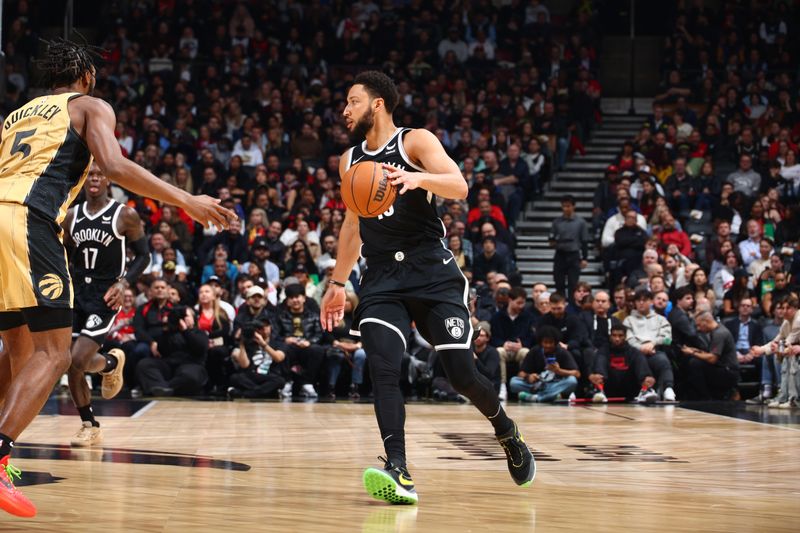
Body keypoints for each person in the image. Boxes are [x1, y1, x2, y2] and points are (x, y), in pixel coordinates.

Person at [0, 39, 232, 517]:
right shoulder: (89, 105)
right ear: (86, 75)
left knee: (18, 351)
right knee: (54, 352)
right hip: (27, 219)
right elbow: (114, 165)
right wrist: (187, 200)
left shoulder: (17, 115)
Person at [321, 71, 533, 505]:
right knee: (382, 366)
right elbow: (350, 223)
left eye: (352, 101)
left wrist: (418, 179)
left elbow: (459, 184)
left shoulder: (414, 142)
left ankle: (507, 432)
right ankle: (398, 470)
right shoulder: (349, 161)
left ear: (377, 104)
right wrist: (338, 282)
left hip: (432, 273)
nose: (345, 110)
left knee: (461, 375)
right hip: (381, 277)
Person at [63, 163, 150, 446]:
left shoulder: (125, 215)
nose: (95, 178)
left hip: (106, 295)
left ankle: (111, 362)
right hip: (77, 293)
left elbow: (144, 256)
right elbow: (65, 255)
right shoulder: (71, 216)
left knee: (78, 359)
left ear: (109, 179)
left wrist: (124, 283)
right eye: (89, 173)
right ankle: (90, 425)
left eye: (100, 173)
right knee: (70, 364)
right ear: (83, 179)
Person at [589, 324, 658, 403]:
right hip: (609, 385)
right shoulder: (603, 351)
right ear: (610, 336)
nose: (617, 339)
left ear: (625, 337)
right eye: (614, 335)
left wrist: (648, 378)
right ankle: (599, 390)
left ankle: (646, 390)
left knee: (639, 358)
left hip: (629, 386)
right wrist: (592, 375)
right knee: (601, 358)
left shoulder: (633, 352)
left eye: (620, 336)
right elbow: (591, 371)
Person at [510, 326, 579, 403]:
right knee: (514, 382)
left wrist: (559, 371)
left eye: (551, 343)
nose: (548, 345)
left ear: (555, 343)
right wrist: (528, 377)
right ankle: (550, 396)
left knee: (572, 381)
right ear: (541, 342)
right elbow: (521, 373)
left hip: (554, 385)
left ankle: (537, 398)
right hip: (536, 385)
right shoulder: (534, 351)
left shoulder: (562, 352)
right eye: (545, 342)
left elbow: (576, 374)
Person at [680, 311, 740, 401]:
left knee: (694, 364)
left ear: (706, 322)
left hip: (728, 372)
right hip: (724, 368)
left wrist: (692, 353)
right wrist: (696, 350)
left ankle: (705, 398)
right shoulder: (716, 331)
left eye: (699, 325)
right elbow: (711, 354)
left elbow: (712, 359)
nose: (698, 329)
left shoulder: (719, 334)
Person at [549, 194, 589, 298]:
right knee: (559, 283)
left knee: (573, 284)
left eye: (568, 206)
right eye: (564, 206)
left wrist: (584, 258)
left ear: (573, 206)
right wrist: (554, 241)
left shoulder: (581, 222)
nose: (566, 208)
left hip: (574, 255)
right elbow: (551, 238)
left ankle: (572, 307)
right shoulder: (556, 222)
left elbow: (584, 240)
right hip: (560, 254)